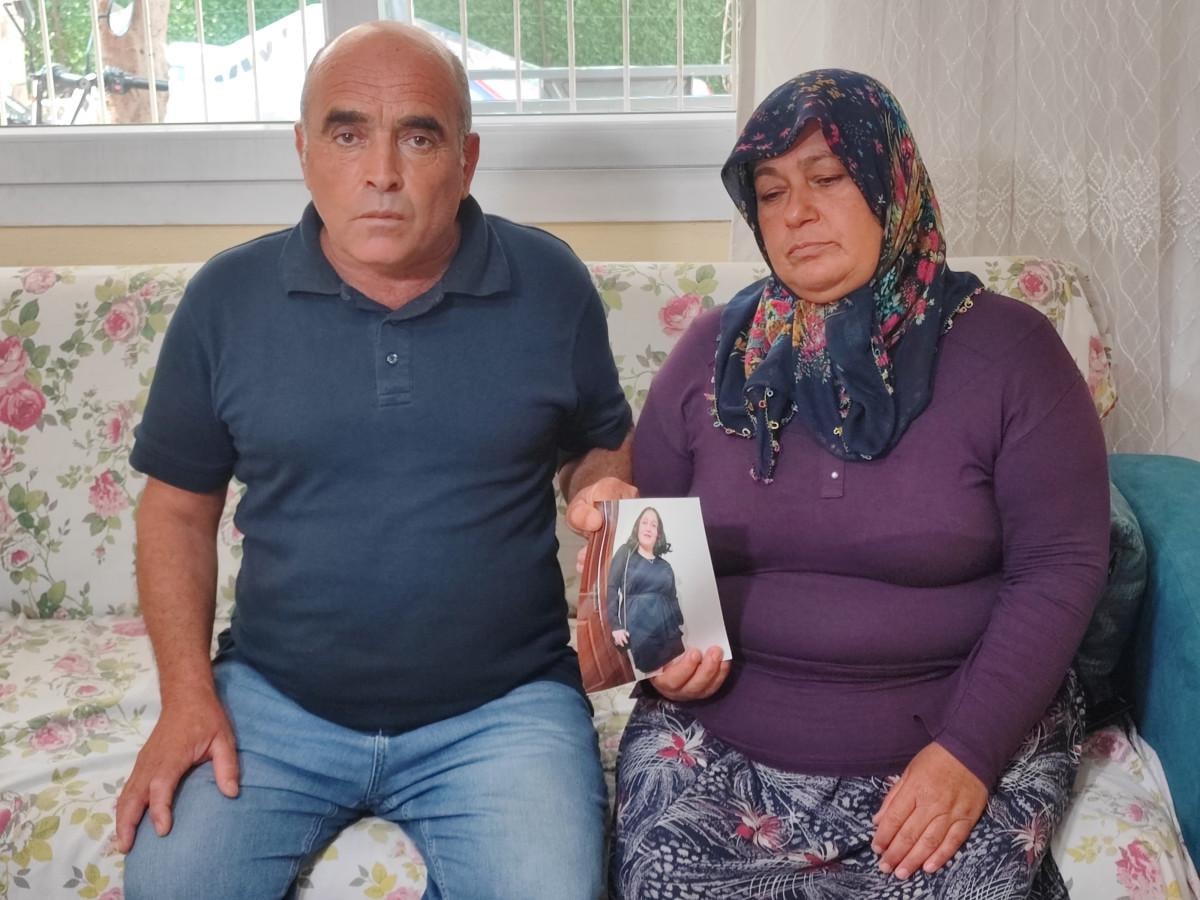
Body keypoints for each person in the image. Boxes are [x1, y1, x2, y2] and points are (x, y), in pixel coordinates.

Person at [114, 21, 635, 900]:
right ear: (304, 151)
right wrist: (188, 696)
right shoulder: (225, 300)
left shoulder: (549, 282)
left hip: (504, 709)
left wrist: (601, 490)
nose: (382, 172)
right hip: (275, 702)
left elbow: (596, 442)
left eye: (418, 138)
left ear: (466, 159)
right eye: (349, 134)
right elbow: (175, 510)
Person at [610, 69, 1109, 899]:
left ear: (890, 183)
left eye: (829, 178)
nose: (795, 213)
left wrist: (969, 750)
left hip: (950, 745)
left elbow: (1061, 565)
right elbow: (649, 537)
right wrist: (660, 656)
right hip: (718, 749)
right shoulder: (709, 354)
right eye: (771, 192)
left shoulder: (1013, 354)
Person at [607, 506, 685, 674]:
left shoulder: (665, 566)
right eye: (644, 522)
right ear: (637, 527)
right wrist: (615, 626)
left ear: (658, 534)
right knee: (656, 676)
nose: (648, 527)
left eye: (653, 525)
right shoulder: (625, 553)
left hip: (668, 627)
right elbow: (612, 587)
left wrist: (679, 622)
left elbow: (672, 597)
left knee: (678, 670)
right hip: (640, 628)